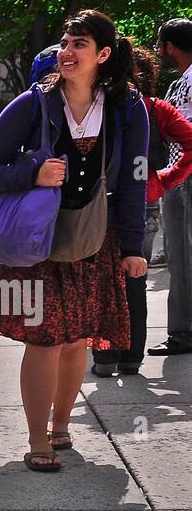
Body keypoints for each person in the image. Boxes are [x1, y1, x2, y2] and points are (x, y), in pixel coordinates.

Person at [0, 9, 147, 473]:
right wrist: (32, 172)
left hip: (95, 239)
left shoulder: (127, 107)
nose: (66, 52)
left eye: (79, 45)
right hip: (35, 242)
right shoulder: (33, 104)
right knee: (46, 341)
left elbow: (133, 182)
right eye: (65, 43)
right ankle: (37, 441)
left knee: (77, 341)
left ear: (103, 55)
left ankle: (61, 425)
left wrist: (134, 248)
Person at [94, 44, 192, 375]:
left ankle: (105, 356)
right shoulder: (155, 108)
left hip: (99, 207)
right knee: (135, 281)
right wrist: (165, 179)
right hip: (145, 203)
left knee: (102, 286)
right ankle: (132, 358)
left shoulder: (93, 106)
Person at [149, 18, 192, 357]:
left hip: (185, 175)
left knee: (183, 255)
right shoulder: (180, 81)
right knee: (179, 256)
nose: (157, 51)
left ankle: (183, 332)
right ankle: (182, 331)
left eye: (160, 44)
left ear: (171, 47)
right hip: (178, 176)